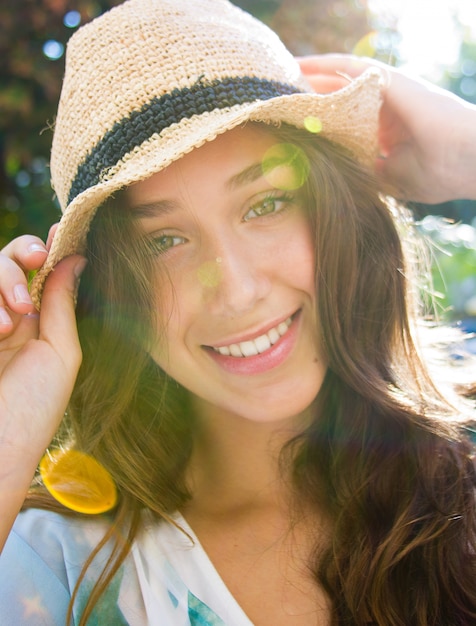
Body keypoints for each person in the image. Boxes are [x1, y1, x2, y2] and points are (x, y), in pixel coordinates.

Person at [0, 0, 475, 624]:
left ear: (334, 214)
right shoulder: (63, 560)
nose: (238, 291)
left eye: (265, 205)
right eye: (163, 242)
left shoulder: (461, 485)